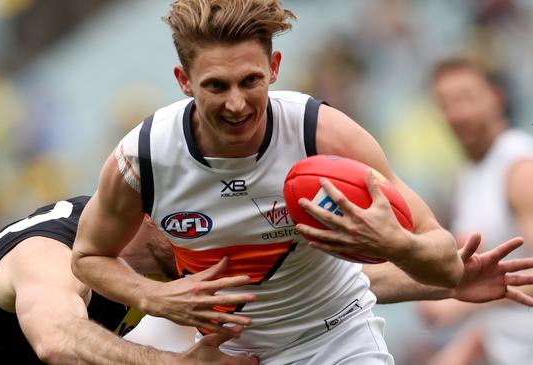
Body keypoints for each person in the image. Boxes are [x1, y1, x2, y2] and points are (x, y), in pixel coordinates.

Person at [69, 1, 524, 363]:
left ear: (275, 68)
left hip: (341, 341)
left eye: (250, 80)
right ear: (184, 81)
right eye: (216, 86)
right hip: (231, 357)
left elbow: (443, 259)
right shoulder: (143, 157)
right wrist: (156, 296)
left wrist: (397, 245)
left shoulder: (320, 133)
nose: (237, 104)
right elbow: (88, 256)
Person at [0, 195, 259, 365]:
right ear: (150, 212)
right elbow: (57, 340)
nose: (209, 241)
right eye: (198, 226)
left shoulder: (152, 257)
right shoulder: (49, 254)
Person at [415, 58, 533, 365]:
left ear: (497, 97)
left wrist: (459, 307)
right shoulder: (472, 174)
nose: (457, 113)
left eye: (467, 98)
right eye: (445, 103)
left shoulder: (519, 168)